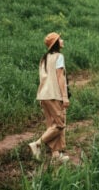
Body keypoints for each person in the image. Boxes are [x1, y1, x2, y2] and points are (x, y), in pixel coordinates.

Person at [29, 32, 70, 163]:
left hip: (43, 95)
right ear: (56, 43)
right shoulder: (59, 56)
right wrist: (65, 96)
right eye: (60, 39)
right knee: (59, 124)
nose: (62, 40)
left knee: (51, 124)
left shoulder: (44, 58)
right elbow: (60, 77)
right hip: (54, 94)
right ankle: (37, 144)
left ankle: (56, 154)